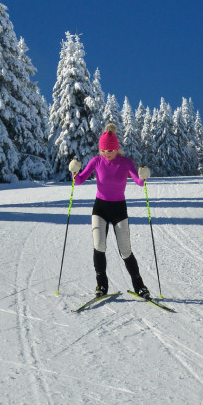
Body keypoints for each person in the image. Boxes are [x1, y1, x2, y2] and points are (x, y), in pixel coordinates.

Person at [69, 123, 151, 298]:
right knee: (99, 247)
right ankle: (101, 286)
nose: (108, 153)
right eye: (104, 150)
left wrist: (143, 177)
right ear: (100, 149)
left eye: (111, 150)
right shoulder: (96, 161)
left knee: (125, 251)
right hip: (100, 208)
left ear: (117, 149)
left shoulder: (125, 162)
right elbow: (79, 180)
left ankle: (140, 286)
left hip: (119, 209)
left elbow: (137, 181)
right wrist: (74, 172)